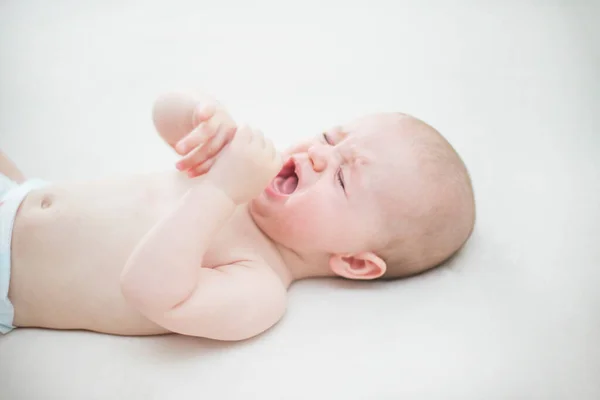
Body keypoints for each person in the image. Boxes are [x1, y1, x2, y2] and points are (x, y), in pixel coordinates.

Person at [0, 91, 475, 340]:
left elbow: (146, 289)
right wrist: (203, 117)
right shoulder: (244, 170)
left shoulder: (260, 289)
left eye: (343, 179)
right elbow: (164, 113)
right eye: (331, 139)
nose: (317, 155)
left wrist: (222, 190)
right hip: (20, 192)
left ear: (353, 261)